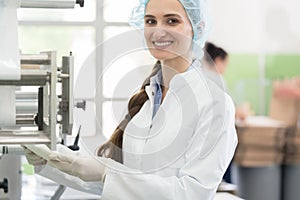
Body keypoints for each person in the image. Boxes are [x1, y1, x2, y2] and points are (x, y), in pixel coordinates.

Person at [23, 0, 238, 199]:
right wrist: (53, 161)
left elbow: (191, 193)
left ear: (197, 29)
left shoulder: (215, 103)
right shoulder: (147, 100)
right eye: (150, 21)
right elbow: (121, 187)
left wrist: (108, 173)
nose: (158, 30)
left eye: (172, 20)